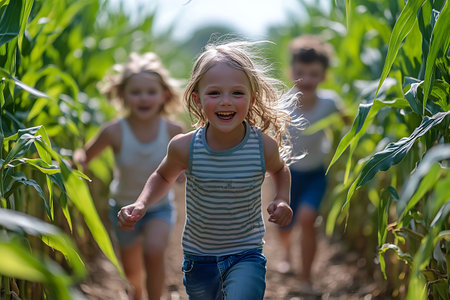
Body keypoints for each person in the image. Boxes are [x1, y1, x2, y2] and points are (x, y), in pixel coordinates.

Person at [117, 40, 303, 300]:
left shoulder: (262, 146)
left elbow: (280, 170)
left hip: (246, 253)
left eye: (237, 93)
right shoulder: (186, 147)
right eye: (214, 93)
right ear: (198, 98)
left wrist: (282, 199)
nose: (226, 102)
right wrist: (142, 203)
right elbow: (162, 175)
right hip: (199, 258)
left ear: (251, 98)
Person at [74, 52, 183, 300]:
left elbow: (182, 162)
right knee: (132, 271)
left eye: (150, 91)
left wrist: (182, 173)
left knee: (154, 253)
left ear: (164, 95)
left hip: (159, 208)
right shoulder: (113, 131)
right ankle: (136, 293)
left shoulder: (173, 130)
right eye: (136, 92)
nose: (143, 98)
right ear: (122, 95)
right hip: (123, 210)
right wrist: (76, 159)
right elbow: (85, 156)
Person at [276, 35, 346, 292]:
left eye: (314, 74)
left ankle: (305, 278)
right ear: (290, 72)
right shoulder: (283, 105)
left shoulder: (330, 103)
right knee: (284, 225)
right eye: (300, 73)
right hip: (287, 174)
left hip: (317, 173)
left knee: (307, 218)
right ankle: (285, 252)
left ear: (324, 75)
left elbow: (349, 122)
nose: (306, 79)